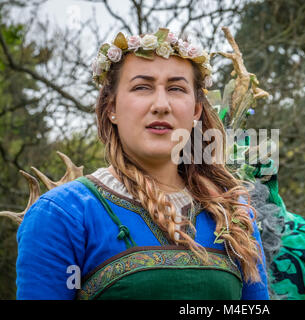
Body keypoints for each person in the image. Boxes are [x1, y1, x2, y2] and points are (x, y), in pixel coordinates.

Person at [15, 28, 269, 300]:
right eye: (142, 87)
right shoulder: (63, 214)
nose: (161, 105)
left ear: (196, 111)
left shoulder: (233, 214)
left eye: (176, 88)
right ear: (111, 107)